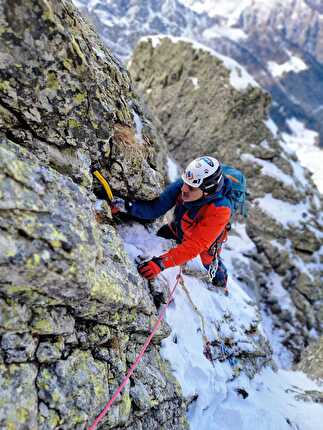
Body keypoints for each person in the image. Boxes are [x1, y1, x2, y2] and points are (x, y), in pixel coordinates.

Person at [112, 156, 232, 293]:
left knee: (209, 263)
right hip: (179, 228)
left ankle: (222, 283)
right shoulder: (185, 184)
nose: (184, 189)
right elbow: (155, 209)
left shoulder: (220, 209)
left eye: (191, 188)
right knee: (161, 234)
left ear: (207, 191)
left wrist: (161, 263)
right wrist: (127, 206)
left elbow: (195, 246)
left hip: (206, 243)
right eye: (185, 183)